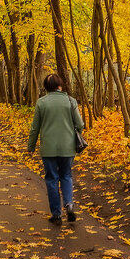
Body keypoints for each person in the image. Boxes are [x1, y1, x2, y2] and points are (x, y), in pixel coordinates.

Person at [26, 73, 84, 224]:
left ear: (46, 87)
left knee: (51, 179)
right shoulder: (71, 101)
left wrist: (30, 146)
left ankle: (57, 215)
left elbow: (35, 128)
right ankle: (69, 204)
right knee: (66, 176)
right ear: (60, 85)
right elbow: (80, 125)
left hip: (49, 148)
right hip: (67, 147)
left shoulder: (41, 102)